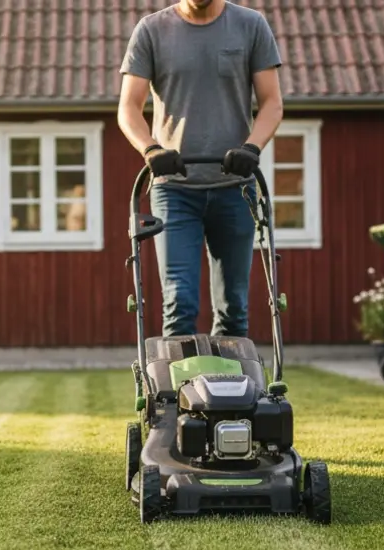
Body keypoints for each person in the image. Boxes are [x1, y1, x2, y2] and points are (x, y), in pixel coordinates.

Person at [117, 0, 283, 338]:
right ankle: (180, 390)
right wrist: (151, 148)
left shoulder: (251, 25)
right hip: (174, 189)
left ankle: (230, 389)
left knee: (234, 307)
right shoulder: (151, 30)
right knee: (179, 303)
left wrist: (252, 147)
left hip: (235, 187)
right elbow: (129, 108)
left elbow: (272, 102)